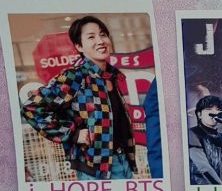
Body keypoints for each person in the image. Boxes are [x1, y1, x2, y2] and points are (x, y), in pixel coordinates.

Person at [20, 15, 137, 181]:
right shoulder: (75, 76)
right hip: (96, 170)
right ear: (79, 46)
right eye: (91, 37)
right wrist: (72, 134)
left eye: (103, 34)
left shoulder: (110, 76)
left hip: (122, 162)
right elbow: (31, 107)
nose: (100, 41)